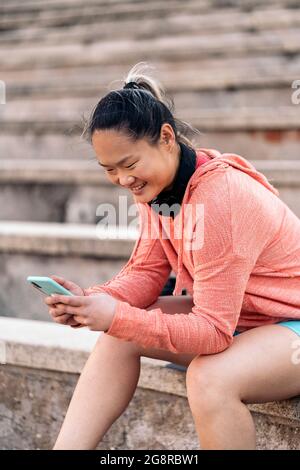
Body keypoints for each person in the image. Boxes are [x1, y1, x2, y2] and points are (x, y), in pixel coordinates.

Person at [45, 62, 300, 450]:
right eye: (109, 170)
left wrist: (116, 315)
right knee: (118, 336)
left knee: (210, 378)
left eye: (129, 165)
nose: (123, 180)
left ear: (166, 138)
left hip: (290, 327)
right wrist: (92, 302)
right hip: (248, 323)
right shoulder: (160, 188)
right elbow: (146, 271)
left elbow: (213, 332)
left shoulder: (220, 199)